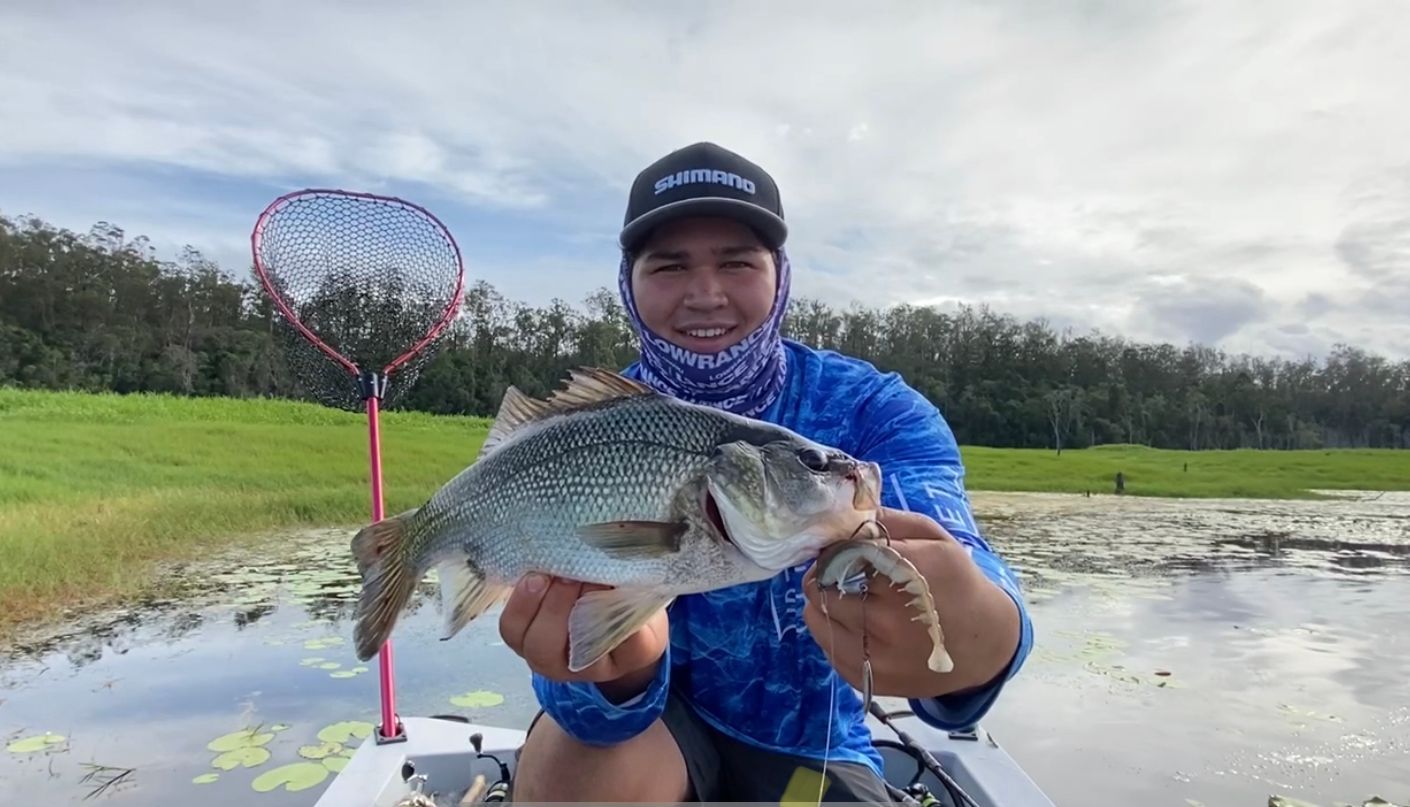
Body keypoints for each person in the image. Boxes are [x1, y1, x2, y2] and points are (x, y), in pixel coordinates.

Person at [500, 141, 1033, 803]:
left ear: (779, 274)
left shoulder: (876, 412)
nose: (705, 293)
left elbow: (967, 557)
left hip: (813, 743)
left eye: (737, 262)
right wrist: (614, 678)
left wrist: (981, 632)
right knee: (575, 773)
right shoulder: (591, 429)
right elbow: (581, 695)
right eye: (669, 264)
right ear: (627, 283)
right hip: (644, 731)